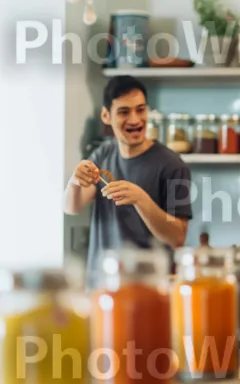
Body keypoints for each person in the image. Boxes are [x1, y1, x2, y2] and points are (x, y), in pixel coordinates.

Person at [63, 76, 192, 285]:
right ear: (106, 115)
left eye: (140, 109)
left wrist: (141, 199)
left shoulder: (173, 166)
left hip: (148, 289)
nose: (135, 120)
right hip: (102, 285)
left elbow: (176, 238)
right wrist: (75, 182)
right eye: (124, 112)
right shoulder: (102, 154)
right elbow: (72, 207)